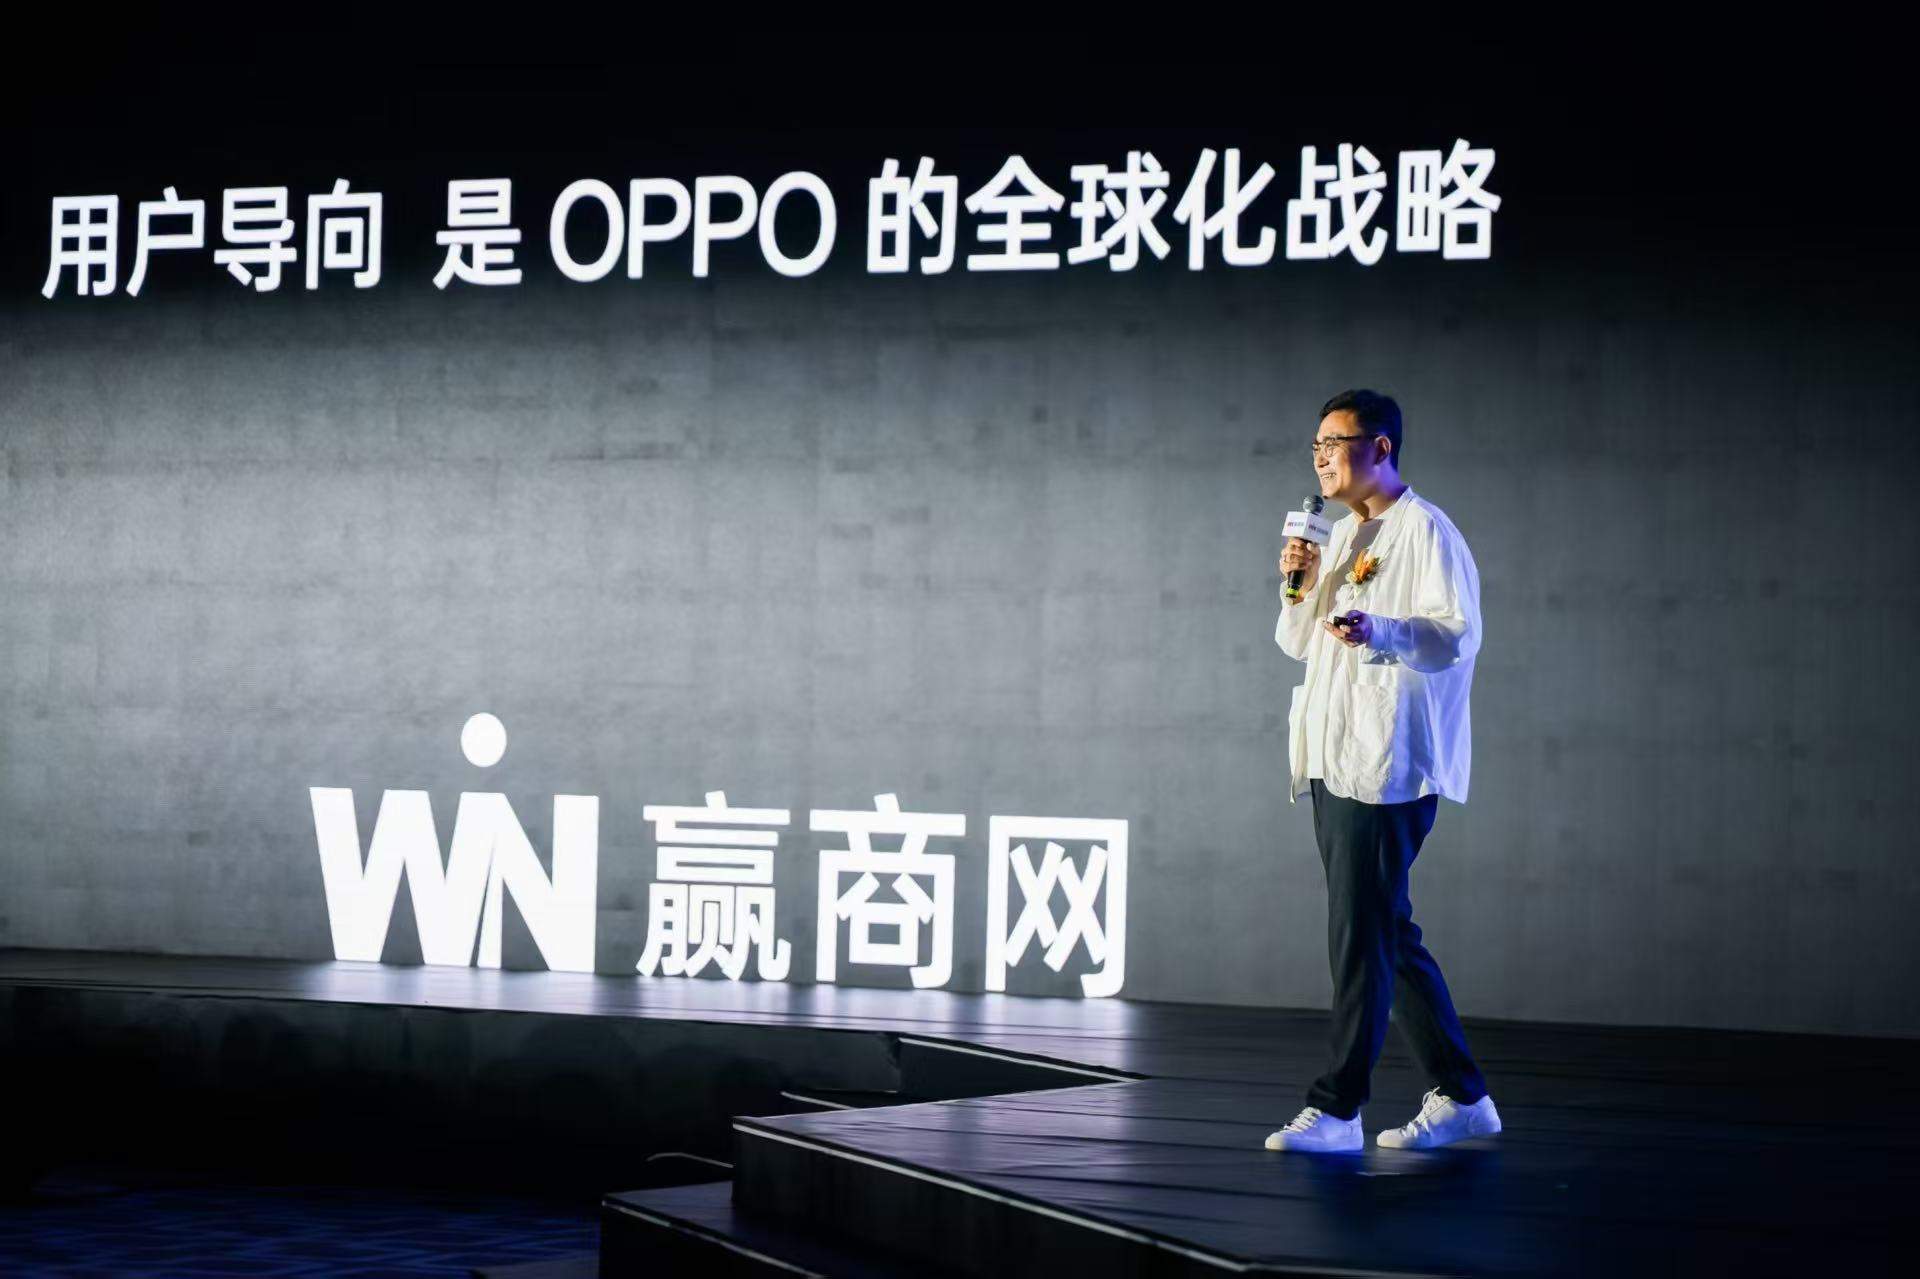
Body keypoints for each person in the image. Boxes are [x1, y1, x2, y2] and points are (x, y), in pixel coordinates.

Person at [1264, 389, 1501, 1154]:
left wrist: (1383, 630)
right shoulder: (1340, 535)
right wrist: (1300, 582)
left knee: (1360, 937)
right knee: (1385, 930)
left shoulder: (1425, 530)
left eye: (1334, 443)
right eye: (1316, 446)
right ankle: (1464, 1096)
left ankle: (1338, 1109)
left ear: (1381, 447)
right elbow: (1298, 642)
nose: (1322, 458)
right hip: (1333, 758)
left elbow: (1456, 634)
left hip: (1386, 762)